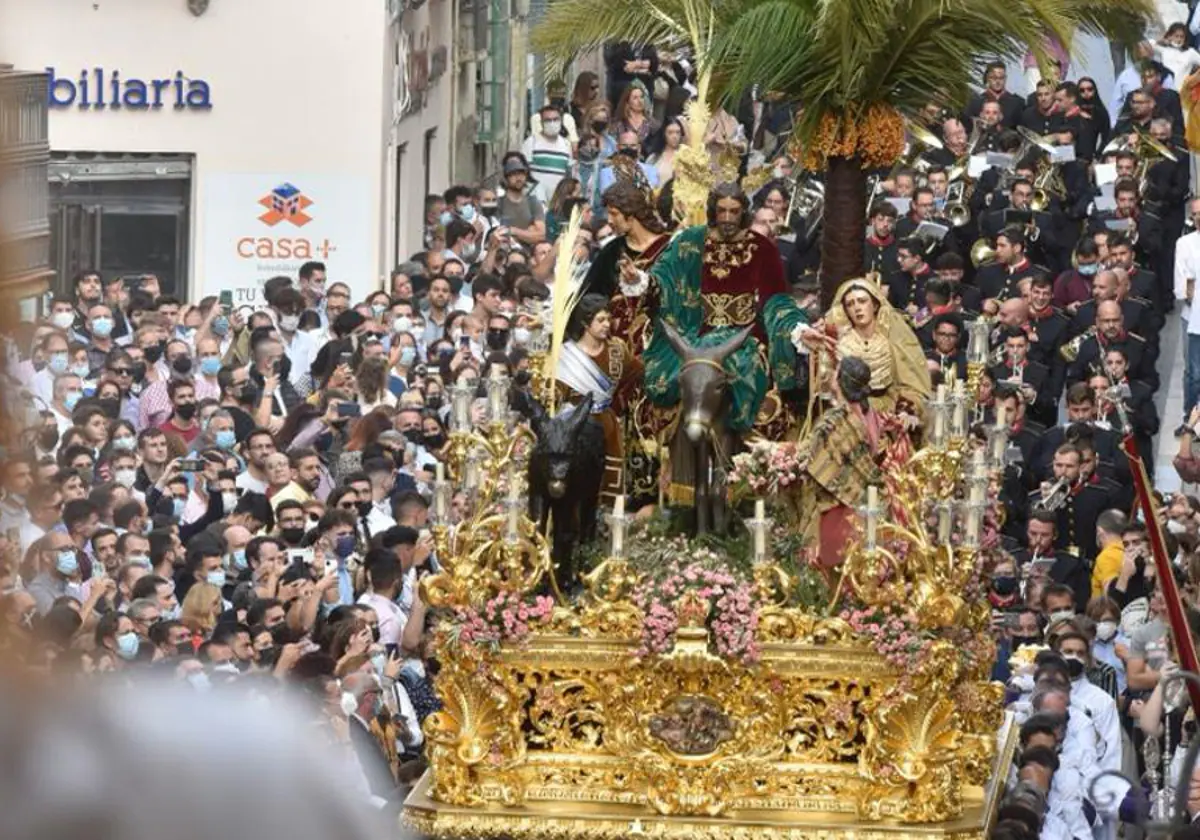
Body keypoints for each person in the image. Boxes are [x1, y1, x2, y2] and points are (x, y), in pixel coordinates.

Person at [645, 182, 807, 433]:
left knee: (744, 376)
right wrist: (643, 282)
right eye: (722, 211)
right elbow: (664, 275)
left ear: (744, 212)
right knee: (666, 390)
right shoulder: (690, 241)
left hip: (745, 341)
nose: (728, 218)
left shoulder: (762, 249)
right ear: (713, 211)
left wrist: (795, 328)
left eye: (734, 211)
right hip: (694, 335)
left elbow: (776, 299)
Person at [554, 295, 642, 503]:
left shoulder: (617, 349)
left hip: (607, 425)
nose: (607, 325)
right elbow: (555, 393)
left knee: (609, 485)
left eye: (608, 319)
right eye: (600, 320)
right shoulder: (566, 355)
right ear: (586, 322)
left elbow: (637, 373)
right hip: (575, 424)